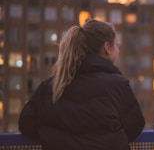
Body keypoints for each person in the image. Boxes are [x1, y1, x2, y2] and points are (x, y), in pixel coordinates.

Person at [19, 19, 145, 150]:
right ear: (107, 48)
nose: (118, 49)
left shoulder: (50, 86)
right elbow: (135, 126)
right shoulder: (118, 85)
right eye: (117, 44)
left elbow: (26, 125)